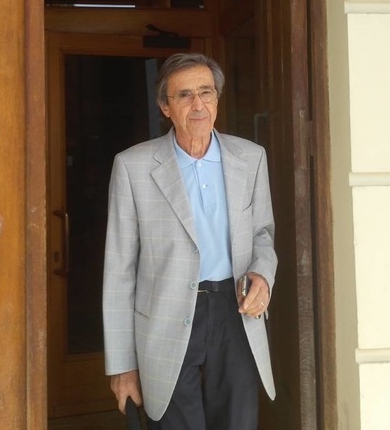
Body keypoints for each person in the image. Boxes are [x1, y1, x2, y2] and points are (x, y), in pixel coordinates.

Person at [102, 52, 277, 430]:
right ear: (165, 107)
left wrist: (263, 276)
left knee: (238, 422)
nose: (198, 104)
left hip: (235, 312)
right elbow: (119, 270)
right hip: (165, 318)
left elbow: (262, 234)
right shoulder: (133, 166)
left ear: (217, 99)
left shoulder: (251, 158)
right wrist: (122, 366)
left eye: (206, 92)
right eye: (184, 95)